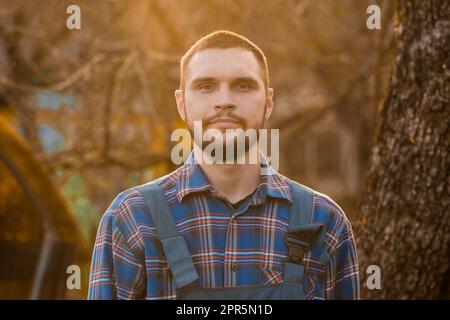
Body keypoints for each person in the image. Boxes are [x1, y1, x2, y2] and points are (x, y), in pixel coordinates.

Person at [88, 30, 360, 300]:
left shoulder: (324, 221)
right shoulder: (132, 219)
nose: (224, 101)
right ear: (181, 104)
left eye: (243, 85)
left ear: (268, 102)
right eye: (206, 86)